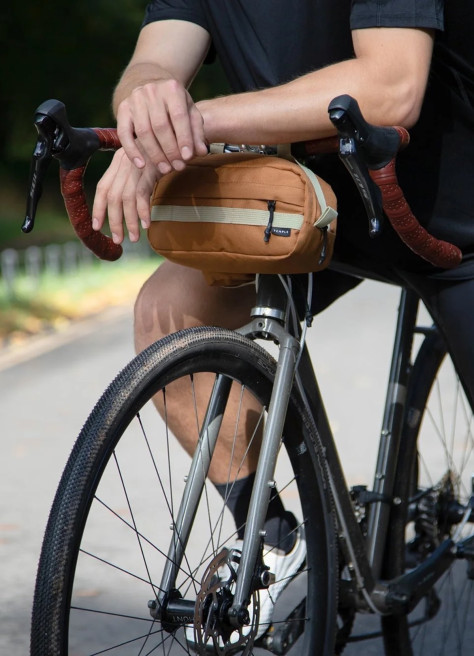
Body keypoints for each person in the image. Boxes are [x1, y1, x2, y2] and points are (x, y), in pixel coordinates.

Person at [91, 0, 474, 641]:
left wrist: (193, 122)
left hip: (454, 223)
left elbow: (392, 85)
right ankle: (273, 536)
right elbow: (156, 58)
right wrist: (145, 108)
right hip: (311, 211)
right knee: (165, 314)